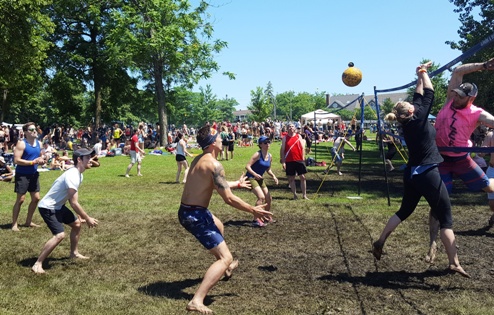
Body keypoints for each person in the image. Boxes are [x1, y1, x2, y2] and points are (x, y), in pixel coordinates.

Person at [372, 62, 469, 278]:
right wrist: (424, 73)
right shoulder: (418, 117)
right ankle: (454, 262)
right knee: (446, 218)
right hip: (427, 173)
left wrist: (418, 76)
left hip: (412, 173)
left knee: (404, 211)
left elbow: (419, 96)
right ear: (411, 111)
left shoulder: (409, 120)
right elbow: (429, 92)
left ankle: (380, 241)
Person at [178, 125, 272, 314]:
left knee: (219, 226)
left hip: (190, 211)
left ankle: (226, 269)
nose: (224, 140)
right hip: (195, 215)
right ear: (213, 143)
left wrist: (236, 183)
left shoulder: (200, 159)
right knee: (225, 257)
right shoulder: (215, 165)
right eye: (220, 138)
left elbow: (212, 185)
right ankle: (197, 300)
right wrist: (252, 209)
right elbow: (228, 199)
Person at [428, 57, 494, 262]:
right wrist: (484, 66)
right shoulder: (449, 101)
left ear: (470, 99)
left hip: (462, 159)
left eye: (460, 96)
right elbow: (458, 71)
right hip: (441, 159)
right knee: (438, 201)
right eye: (455, 94)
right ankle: (432, 242)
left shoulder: (477, 113)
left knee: (489, 188)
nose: (455, 97)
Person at [31, 148, 99, 274]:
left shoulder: (79, 174)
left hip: (58, 206)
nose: (91, 160)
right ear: (79, 160)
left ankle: (74, 253)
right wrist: (88, 218)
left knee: (77, 224)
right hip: (48, 207)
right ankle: (38, 263)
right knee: (59, 235)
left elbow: (72, 199)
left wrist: (79, 215)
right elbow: (74, 203)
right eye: (88, 158)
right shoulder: (73, 175)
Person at [11, 122, 46, 231]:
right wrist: (32, 162)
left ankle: (28, 221)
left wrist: (42, 159)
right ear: (25, 132)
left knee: (36, 198)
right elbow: (16, 160)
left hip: (34, 174)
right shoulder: (22, 144)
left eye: (35, 129)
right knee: (20, 200)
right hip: (22, 175)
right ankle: (14, 224)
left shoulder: (39, 143)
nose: (34, 131)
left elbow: (40, 156)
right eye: (31, 130)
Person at [245, 135, 279, 227]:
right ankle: (256, 219)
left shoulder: (270, 156)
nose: (267, 144)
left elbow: (268, 169)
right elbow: (247, 166)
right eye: (265, 142)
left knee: (268, 198)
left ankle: (266, 216)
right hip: (251, 177)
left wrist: (274, 176)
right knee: (261, 197)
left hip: (260, 178)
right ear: (260, 145)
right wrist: (255, 174)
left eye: (268, 142)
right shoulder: (257, 154)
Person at [280, 123, 308, 200]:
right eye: (289, 127)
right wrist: (283, 161)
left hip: (299, 159)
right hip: (289, 160)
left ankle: (304, 195)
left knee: (302, 177)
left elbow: (302, 148)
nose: (291, 128)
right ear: (287, 129)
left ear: (295, 128)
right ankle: (295, 195)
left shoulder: (298, 136)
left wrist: (303, 157)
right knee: (291, 178)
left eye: (292, 126)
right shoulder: (285, 138)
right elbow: (282, 150)